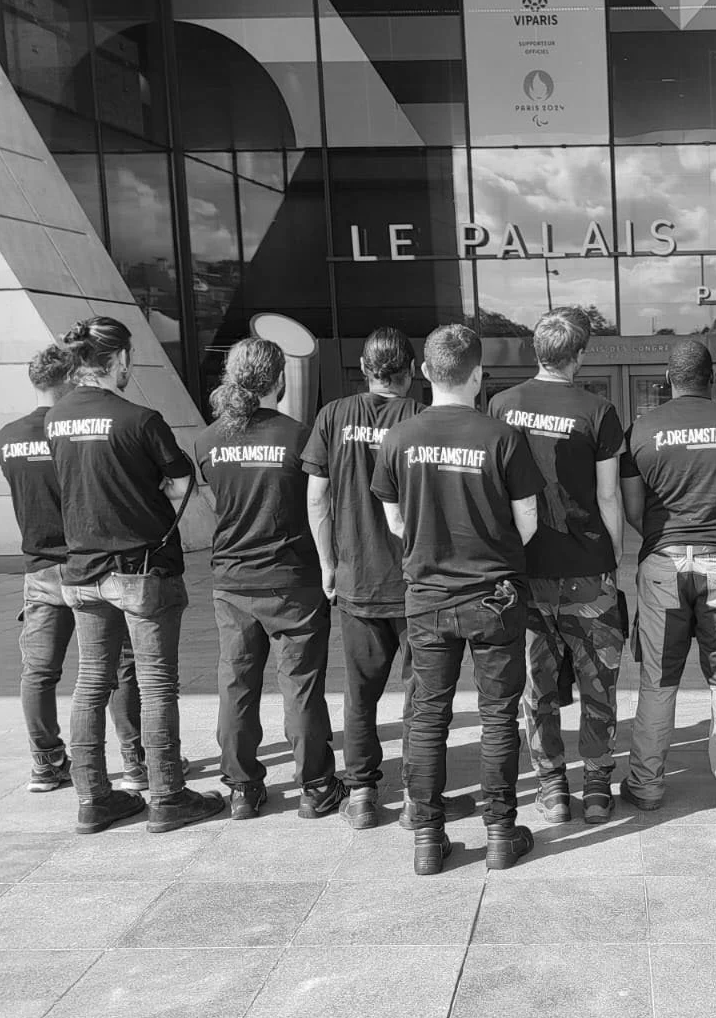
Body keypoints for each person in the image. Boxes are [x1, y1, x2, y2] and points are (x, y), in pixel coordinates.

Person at [373, 325, 543, 874]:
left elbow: (395, 519)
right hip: (494, 595)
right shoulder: (501, 437)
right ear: (477, 375)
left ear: (425, 372)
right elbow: (528, 523)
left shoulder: (398, 437)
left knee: (428, 717)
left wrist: (432, 547)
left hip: (426, 597)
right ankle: (499, 834)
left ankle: (427, 838)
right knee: (497, 715)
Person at [46, 316, 221, 834]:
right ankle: (168, 795)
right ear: (119, 359)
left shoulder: (56, 419)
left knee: (90, 684)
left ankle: (93, 799)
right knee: (157, 683)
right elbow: (180, 481)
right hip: (141, 570)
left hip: (81, 572)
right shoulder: (141, 419)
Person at [305, 328, 474, 830]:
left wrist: (326, 564)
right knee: (422, 693)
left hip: (357, 579)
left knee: (360, 694)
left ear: (364, 366)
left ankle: (361, 794)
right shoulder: (420, 421)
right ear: (413, 371)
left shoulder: (333, 416)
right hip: (417, 581)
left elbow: (317, 498)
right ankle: (420, 796)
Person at [195, 338, 345, 821]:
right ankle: (317, 786)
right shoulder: (301, 437)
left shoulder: (208, 440)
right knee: (300, 684)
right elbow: (319, 505)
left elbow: (221, 503)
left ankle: (241, 788)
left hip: (233, 580)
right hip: (292, 580)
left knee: (236, 684)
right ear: (280, 380)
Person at [619, 339, 716, 815]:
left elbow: (633, 509)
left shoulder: (640, 429)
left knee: (658, 680)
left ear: (669, 378)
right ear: (712, 378)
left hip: (663, 564)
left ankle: (646, 785)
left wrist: (664, 542)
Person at [488, 310, 627, 826]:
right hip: (588, 568)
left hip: (524, 570)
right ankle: (595, 786)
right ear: (581, 354)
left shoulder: (501, 406)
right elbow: (609, 495)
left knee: (535, 685)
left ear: (536, 352)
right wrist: (613, 560)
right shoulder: (598, 411)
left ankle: (551, 789)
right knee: (599, 682)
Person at [1, 346, 143, 795]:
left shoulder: (8, 435)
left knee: (39, 672)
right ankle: (136, 762)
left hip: (39, 568)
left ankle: (46, 764)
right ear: (71, 378)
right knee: (119, 666)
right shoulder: (68, 430)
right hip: (87, 564)